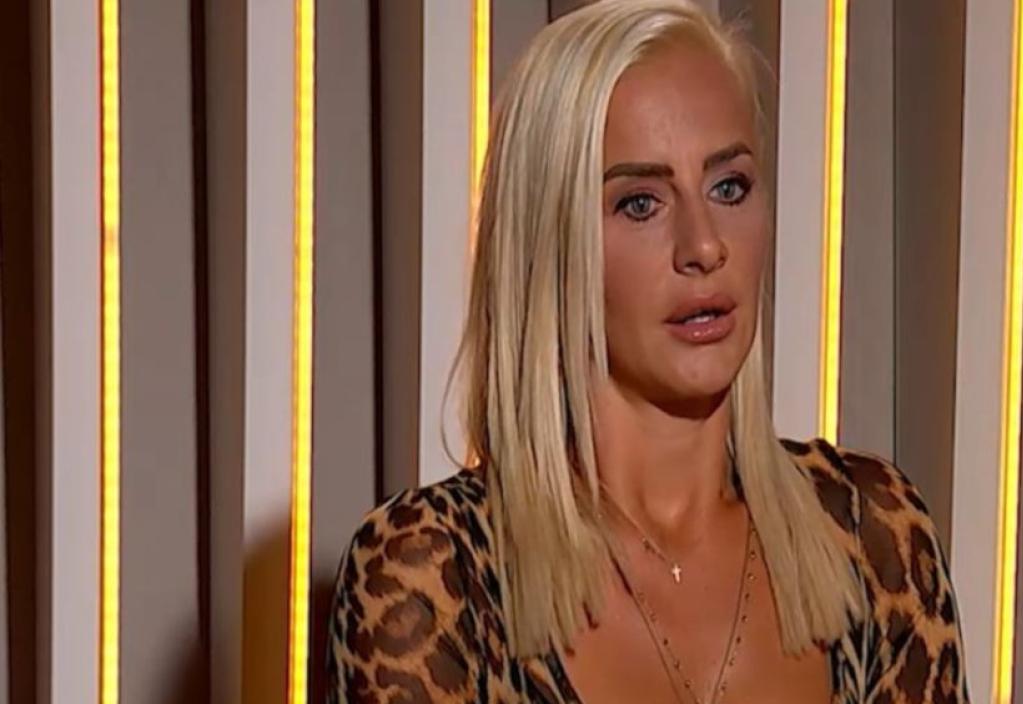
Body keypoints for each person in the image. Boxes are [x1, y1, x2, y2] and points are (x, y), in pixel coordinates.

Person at [326, 1, 967, 701]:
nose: (704, 245)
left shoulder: (873, 537)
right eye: (640, 203)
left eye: (729, 187)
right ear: (550, 244)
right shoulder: (431, 573)